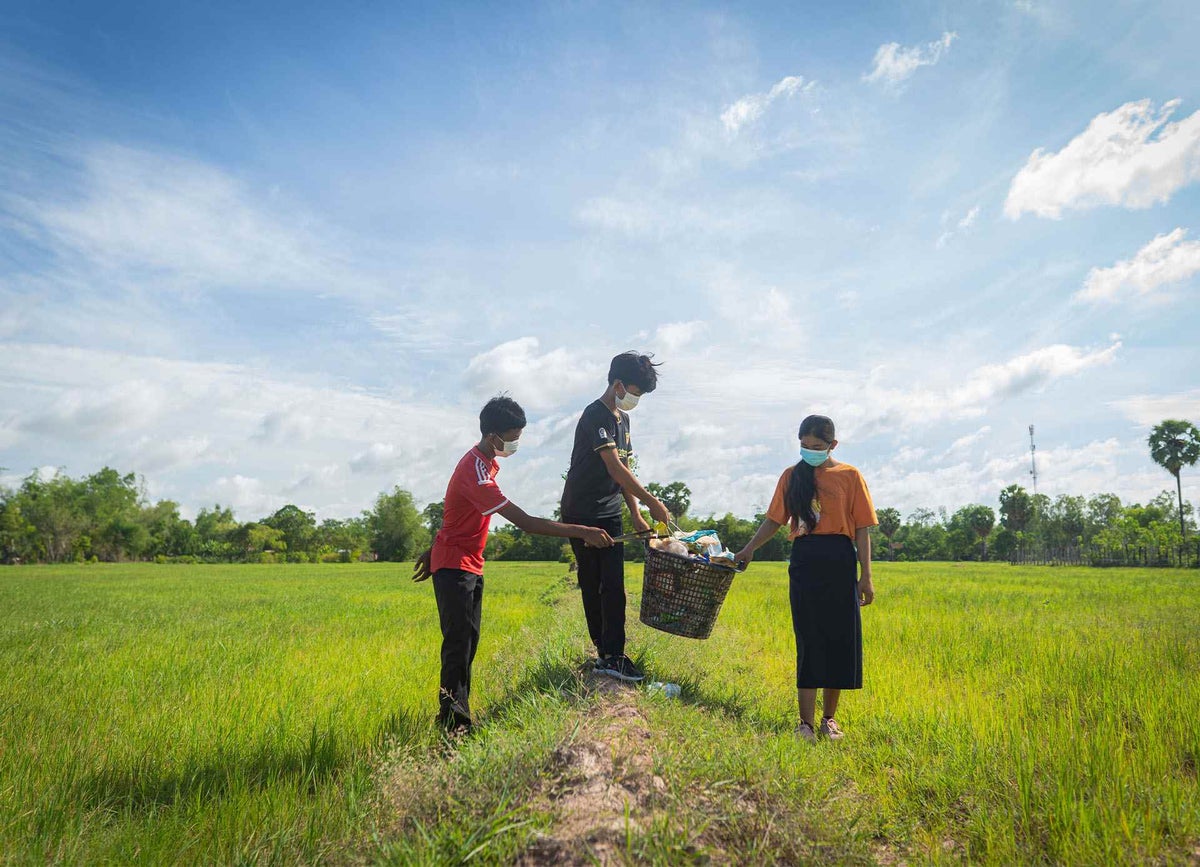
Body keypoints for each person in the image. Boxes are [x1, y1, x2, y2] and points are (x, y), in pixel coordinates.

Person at [413, 395, 613, 732]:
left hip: (468, 564)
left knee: (467, 643)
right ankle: (454, 724)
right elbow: (526, 523)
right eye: (513, 435)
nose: (515, 442)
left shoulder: (484, 463)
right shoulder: (476, 471)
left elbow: (455, 512)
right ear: (493, 436)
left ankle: (457, 715)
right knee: (458, 645)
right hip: (455, 567)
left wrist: (436, 543)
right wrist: (582, 531)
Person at [734, 414, 877, 742]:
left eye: (817, 447)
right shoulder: (792, 476)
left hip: (840, 562)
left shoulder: (850, 476)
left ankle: (829, 720)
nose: (809, 451)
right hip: (805, 562)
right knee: (810, 639)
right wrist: (749, 549)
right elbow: (774, 520)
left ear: (832, 445)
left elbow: (862, 529)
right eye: (804, 446)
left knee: (841, 641)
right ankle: (805, 724)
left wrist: (866, 577)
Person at [560, 351, 673, 682]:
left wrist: (636, 514)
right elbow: (613, 466)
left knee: (614, 584)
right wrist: (652, 501)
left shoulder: (624, 421)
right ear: (618, 384)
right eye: (635, 392)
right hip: (581, 508)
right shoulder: (595, 415)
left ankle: (613, 653)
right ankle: (606, 654)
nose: (635, 399)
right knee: (594, 582)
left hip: (609, 507)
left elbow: (625, 469)